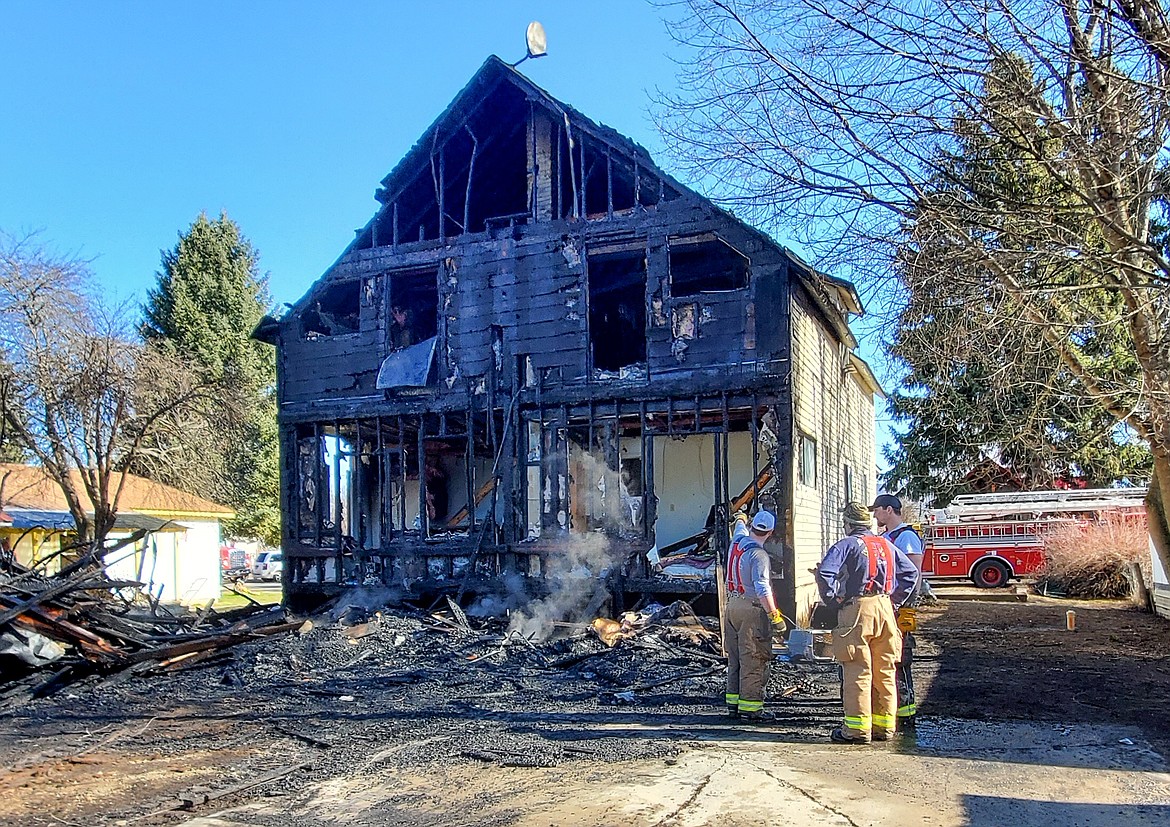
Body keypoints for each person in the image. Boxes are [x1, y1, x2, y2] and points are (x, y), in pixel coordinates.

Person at [815, 502, 918, 743]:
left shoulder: (847, 544)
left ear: (848, 524)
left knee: (857, 669)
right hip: (885, 609)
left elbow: (825, 573)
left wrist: (833, 600)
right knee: (885, 670)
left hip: (858, 609)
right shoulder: (886, 544)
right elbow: (911, 574)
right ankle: (884, 728)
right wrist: (894, 601)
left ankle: (857, 731)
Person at [723, 509, 786, 722]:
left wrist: (740, 515)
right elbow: (762, 589)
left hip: (731, 606)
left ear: (752, 526)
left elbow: (739, 525)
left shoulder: (737, 542)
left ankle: (733, 704)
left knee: (735, 658)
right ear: (769, 532)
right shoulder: (760, 556)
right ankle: (750, 709)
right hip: (751, 610)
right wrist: (774, 616)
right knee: (754, 659)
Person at [872, 493, 925, 725]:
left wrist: (904, 606)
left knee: (901, 656)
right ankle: (892, 707)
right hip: (888, 605)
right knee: (887, 655)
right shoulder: (888, 536)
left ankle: (906, 711)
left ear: (889, 510)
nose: (874, 514)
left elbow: (914, 574)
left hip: (900, 606)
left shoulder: (906, 537)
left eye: (877, 510)